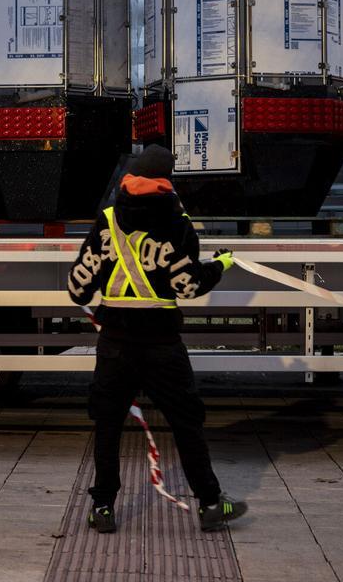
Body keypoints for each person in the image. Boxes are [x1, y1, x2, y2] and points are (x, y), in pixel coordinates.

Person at [67, 144, 248, 533]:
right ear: (167, 180)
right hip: (162, 344)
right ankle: (211, 504)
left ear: (130, 177)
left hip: (115, 342)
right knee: (186, 422)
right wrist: (222, 264)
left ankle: (102, 507)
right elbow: (188, 285)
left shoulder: (108, 220)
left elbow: (77, 288)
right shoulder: (176, 222)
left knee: (108, 423)